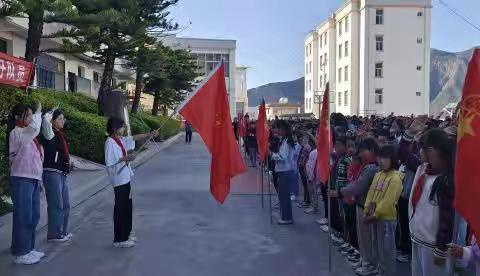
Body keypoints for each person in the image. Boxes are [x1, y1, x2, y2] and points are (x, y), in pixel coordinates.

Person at [105, 118, 159, 248]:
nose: (123, 129)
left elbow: (132, 138)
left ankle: (126, 233)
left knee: (127, 206)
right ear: (114, 128)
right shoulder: (110, 142)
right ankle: (119, 239)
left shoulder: (120, 140)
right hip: (118, 179)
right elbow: (111, 161)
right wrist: (127, 158)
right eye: (121, 127)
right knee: (121, 207)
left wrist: (149, 134)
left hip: (125, 177)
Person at [409, 129, 455, 276]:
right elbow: (402, 154)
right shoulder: (423, 169)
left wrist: (441, 249)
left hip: (433, 246)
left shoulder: (446, 179)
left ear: (432, 151)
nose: (420, 153)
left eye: (422, 149)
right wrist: (409, 133)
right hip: (417, 238)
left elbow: (447, 218)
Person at [6, 103, 45, 265]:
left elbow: (36, 160)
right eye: (27, 115)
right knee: (23, 216)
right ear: (18, 117)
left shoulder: (29, 135)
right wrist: (38, 113)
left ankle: (27, 247)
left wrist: (40, 179)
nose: (30, 118)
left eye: (31, 115)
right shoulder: (17, 132)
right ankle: (21, 252)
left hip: (33, 178)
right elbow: (34, 128)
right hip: (22, 178)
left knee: (33, 215)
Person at [339, 138, 379, 275]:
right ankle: (364, 259)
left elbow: (359, 185)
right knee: (362, 236)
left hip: (366, 206)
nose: (360, 154)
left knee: (367, 238)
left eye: (363, 151)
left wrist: (342, 192)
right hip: (360, 203)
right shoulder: (366, 165)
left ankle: (369, 263)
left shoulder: (372, 167)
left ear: (372, 150)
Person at [363, 145, 403, 276]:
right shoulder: (378, 174)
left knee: (388, 250)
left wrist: (375, 214)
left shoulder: (395, 178)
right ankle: (380, 270)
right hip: (373, 217)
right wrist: (366, 210)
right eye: (380, 157)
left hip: (387, 219)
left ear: (392, 159)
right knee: (377, 247)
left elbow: (388, 201)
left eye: (385, 158)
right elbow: (370, 193)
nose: (381, 161)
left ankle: (388, 273)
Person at [40, 108, 72, 243]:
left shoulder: (60, 134)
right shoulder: (48, 133)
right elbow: (45, 121)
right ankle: (54, 234)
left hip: (62, 172)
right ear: (52, 121)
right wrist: (48, 114)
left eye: (63, 118)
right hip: (52, 172)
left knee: (65, 204)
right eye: (59, 118)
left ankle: (62, 232)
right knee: (56, 204)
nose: (62, 121)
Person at [270, 120, 295, 225]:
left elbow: (282, 157)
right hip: (284, 171)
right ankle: (286, 216)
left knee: (284, 196)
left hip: (286, 171)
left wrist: (271, 154)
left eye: (278, 128)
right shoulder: (284, 140)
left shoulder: (287, 142)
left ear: (283, 130)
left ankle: (286, 217)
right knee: (283, 196)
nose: (277, 130)